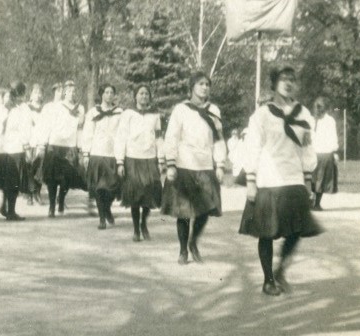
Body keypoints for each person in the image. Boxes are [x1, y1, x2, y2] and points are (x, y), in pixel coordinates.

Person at [239, 66, 322, 294]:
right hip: (268, 180)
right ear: (274, 84)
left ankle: (280, 270)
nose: (288, 83)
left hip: (294, 179)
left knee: (296, 231)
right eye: (283, 79)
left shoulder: (303, 114)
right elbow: (252, 147)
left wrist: (308, 180)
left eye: (292, 79)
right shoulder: (262, 115)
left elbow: (307, 148)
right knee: (266, 233)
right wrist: (251, 181)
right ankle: (268, 280)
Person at [162, 72, 226, 264]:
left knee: (206, 208)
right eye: (200, 84)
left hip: (205, 166)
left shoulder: (214, 110)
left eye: (207, 84)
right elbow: (171, 137)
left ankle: (193, 241)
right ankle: (183, 250)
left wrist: (220, 164)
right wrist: (171, 163)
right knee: (183, 212)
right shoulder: (181, 110)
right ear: (191, 87)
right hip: (184, 165)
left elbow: (218, 139)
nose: (205, 87)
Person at [115, 84, 164, 241]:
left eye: (146, 94)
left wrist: (161, 159)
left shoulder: (154, 115)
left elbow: (159, 138)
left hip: (150, 158)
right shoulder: (128, 114)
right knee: (135, 195)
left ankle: (144, 223)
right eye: (141, 93)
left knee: (150, 192)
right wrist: (120, 161)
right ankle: (136, 229)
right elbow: (121, 137)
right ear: (135, 96)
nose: (144, 96)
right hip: (132, 158)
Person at [0, 81, 32, 221]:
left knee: (7, 180)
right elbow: (24, 129)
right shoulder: (21, 109)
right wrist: (27, 147)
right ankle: (11, 211)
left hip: (4, 148)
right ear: (21, 94)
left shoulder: (5, 108)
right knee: (14, 181)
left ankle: (4, 206)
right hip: (16, 147)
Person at [40, 80, 85, 217]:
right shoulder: (56, 107)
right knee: (52, 178)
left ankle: (61, 199)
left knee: (67, 177)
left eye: (74, 91)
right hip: (55, 144)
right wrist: (43, 144)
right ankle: (52, 206)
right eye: (69, 91)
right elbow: (47, 125)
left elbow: (80, 128)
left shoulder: (80, 108)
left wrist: (80, 146)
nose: (72, 93)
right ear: (64, 92)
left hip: (70, 146)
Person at [82, 83, 123, 230]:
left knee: (112, 187)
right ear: (101, 95)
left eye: (112, 92)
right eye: (106, 92)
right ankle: (102, 219)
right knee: (99, 188)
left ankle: (107, 209)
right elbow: (88, 133)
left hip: (113, 154)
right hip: (97, 153)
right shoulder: (93, 112)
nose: (109, 95)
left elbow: (123, 133)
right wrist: (86, 153)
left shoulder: (120, 113)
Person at [310, 96, 339, 210]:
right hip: (325, 153)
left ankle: (312, 201)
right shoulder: (329, 120)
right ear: (326, 108)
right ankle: (317, 203)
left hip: (313, 153)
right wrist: (335, 151)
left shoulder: (311, 120)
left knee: (313, 178)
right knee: (321, 180)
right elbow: (333, 138)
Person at [25, 83, 46, 206]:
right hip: (29, 142)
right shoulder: (26, 108)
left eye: (40, 93)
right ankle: (29, 194)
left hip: (40, 143)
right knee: (29, 168)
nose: (38, 95)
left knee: (40, 169)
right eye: (35, 93)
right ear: (31, 95)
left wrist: (42, 143)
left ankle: (37, 193)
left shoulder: (45, 110)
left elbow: (46, 127)